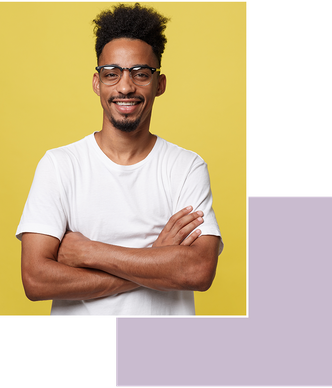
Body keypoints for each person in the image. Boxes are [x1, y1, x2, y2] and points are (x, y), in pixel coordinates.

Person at [16, 3, 223, 316]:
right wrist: (156, 259)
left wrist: (89, 252)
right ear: (97, 83)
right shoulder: (60, 165)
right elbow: (35, 280)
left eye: (141, 74)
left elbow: (197, 271)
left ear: (160, 84)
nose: (126, 86)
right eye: (112, 74)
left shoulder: (185, 166)